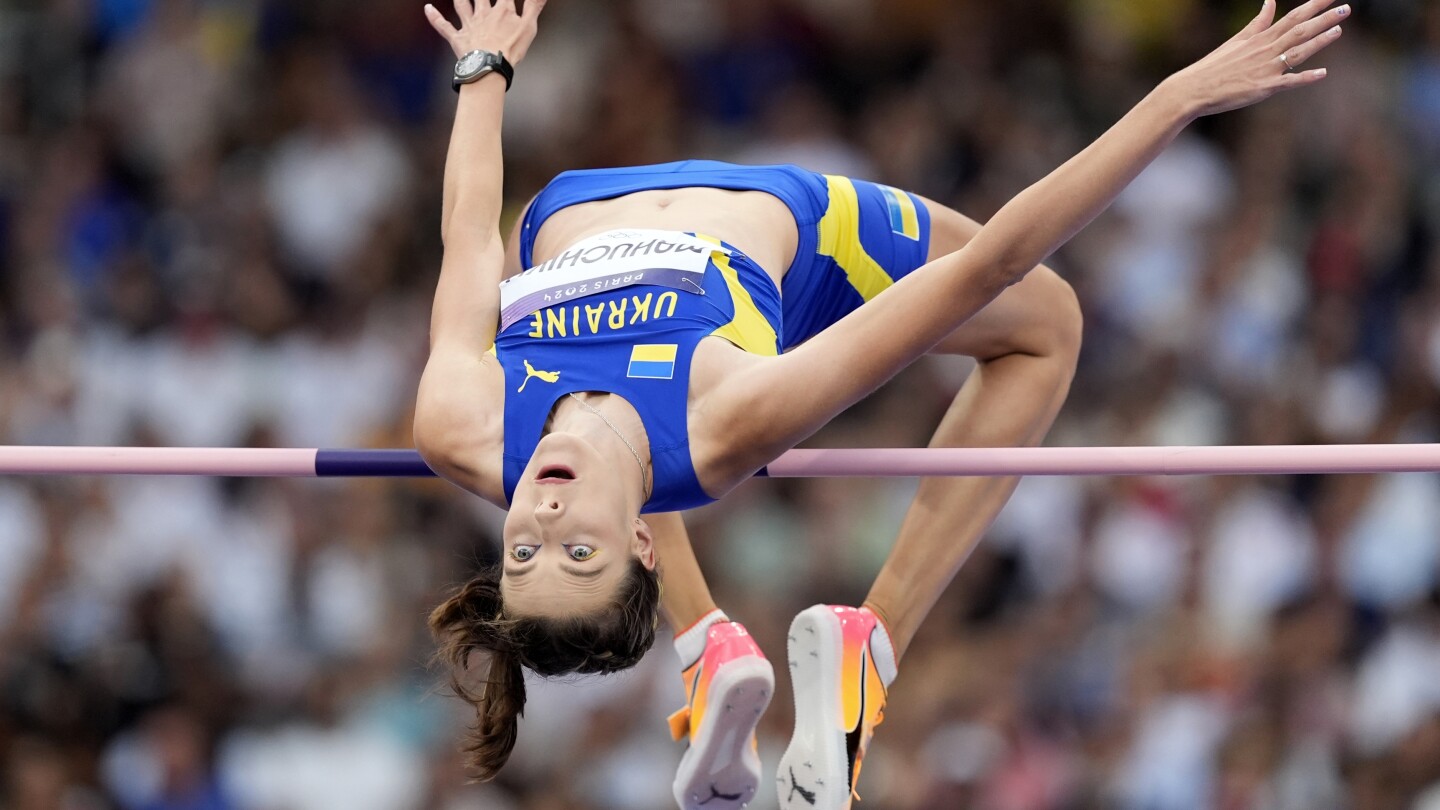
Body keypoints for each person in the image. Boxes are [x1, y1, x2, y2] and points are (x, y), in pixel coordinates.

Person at [410, 0, 1346, 807]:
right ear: (643, 540)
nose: (546, 510)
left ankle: (707, 646)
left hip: (570, 205)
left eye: (526, 548)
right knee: (1047, 324)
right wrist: (1177, 98)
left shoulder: (466, 425)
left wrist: (484, 70)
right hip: (796, 231)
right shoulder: (729, 415)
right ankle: (871, 642)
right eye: (581, 550)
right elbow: (992, 267)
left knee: (609, 440)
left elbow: (466, 240)